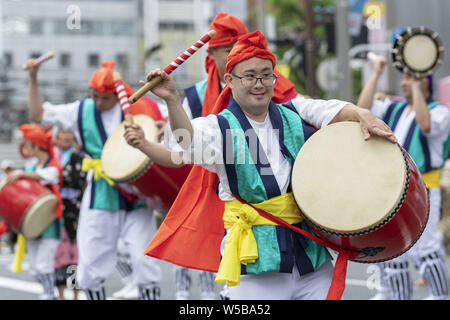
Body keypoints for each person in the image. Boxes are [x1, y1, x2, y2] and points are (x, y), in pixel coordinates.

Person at [125, 31, 396, 300]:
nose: (259, 83)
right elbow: (186, 141)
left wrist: (363, 114)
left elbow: (331, 110)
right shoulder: (220, 128)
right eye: (250, 75)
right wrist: (172, 99)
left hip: (310, 258)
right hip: (254, 262)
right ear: (229, 80)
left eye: (266, 74)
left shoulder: (294, 111)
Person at [25, 59, 162, 300]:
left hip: (138, 192)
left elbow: (167, 124)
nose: (98, 102)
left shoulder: (138, 107)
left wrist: (161, 129)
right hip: (100, 192)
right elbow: (38, 114)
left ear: (115, 94)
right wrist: (34, 77)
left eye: (105, 97)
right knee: (90, 263)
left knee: (144, 259)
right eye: (95, 96)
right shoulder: (80, 110)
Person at [358, 53, 450, 300]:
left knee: (427, 246)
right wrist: (376, 72)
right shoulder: (395, 108)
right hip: (393, 187)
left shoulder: (440, 111)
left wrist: (420, 87)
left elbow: (426, 125)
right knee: (394, 244)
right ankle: (393, 294)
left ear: (425, 83)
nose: (405, 82)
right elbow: (363, 108)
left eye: (411, 78)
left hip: (424, 189)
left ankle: (440, 295)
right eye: (405, 77)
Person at [5, 124, 63, 300]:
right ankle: (47, 293)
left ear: (36, 146)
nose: (24, 148)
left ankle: (48, 295)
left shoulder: (51, 165)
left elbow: (51, 175)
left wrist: (22, 175)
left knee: (44, 265)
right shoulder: (31, 166)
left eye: (27, 144)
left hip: (50, 223)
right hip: (32, 224)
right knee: (35, 267)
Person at [52, 127, 87, 300]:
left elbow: (85, 184)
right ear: (56, 139)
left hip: (76, 210)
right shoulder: (51, 159)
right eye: (62, 137)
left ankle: (74, 295)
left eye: (69, 137)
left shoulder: (81, 159)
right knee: (58, 254)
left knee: (75, 255)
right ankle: (60, 295)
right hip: (56, 211)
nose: (66, 139)